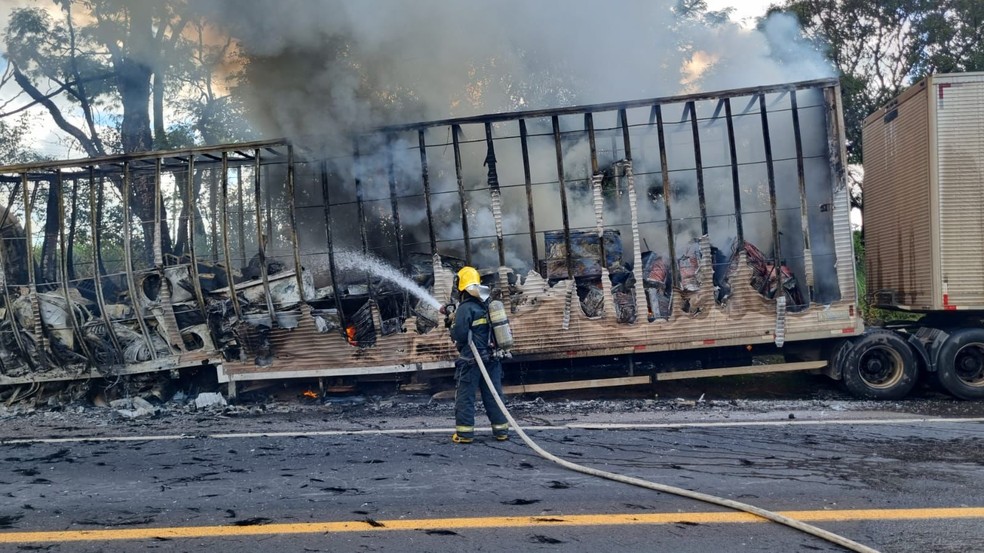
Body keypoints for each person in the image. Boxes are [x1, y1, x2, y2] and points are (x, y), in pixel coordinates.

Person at [449, 266, 509, 444]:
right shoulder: (488, 304)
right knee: (493, 395)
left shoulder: (466, 308)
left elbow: (459, 335)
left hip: (471, 360)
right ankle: (501, 432)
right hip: (492, 358)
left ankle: (465, 434)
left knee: (465, 396)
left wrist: (451, 325)